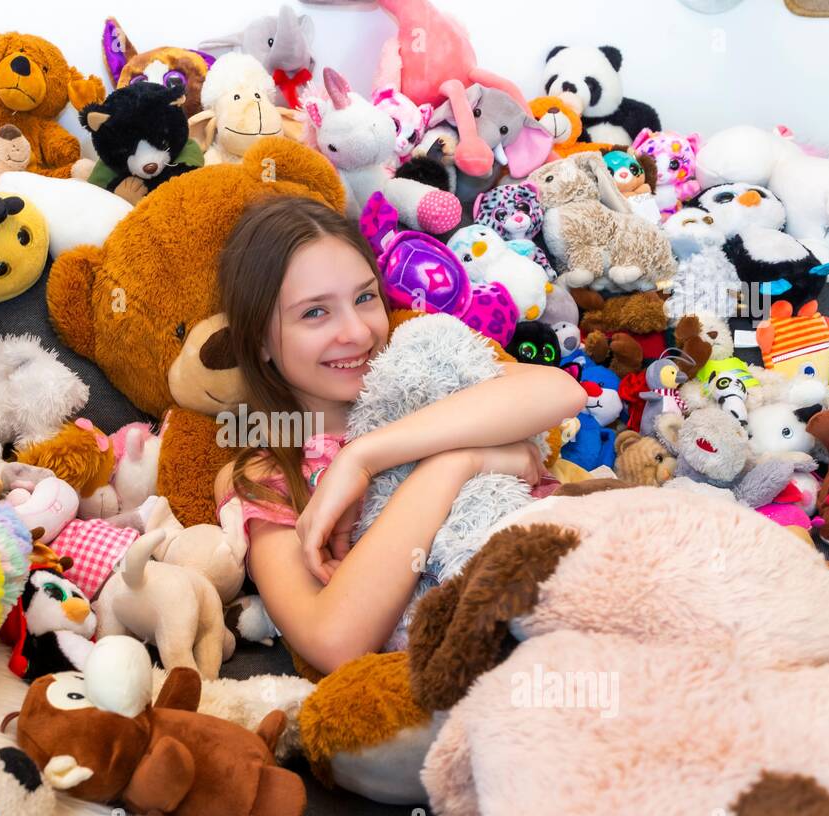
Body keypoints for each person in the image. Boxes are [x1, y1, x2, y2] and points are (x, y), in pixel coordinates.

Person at [213, 195, 588, 675]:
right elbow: (332, 638)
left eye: (365, 298)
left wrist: (362, 457)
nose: (357, 331)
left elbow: (558, 391)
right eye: (314, 313)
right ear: (261, 339)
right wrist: (454, 465)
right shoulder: (263, 475)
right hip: (505, 659)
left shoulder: (422, 375)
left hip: (583, 575)